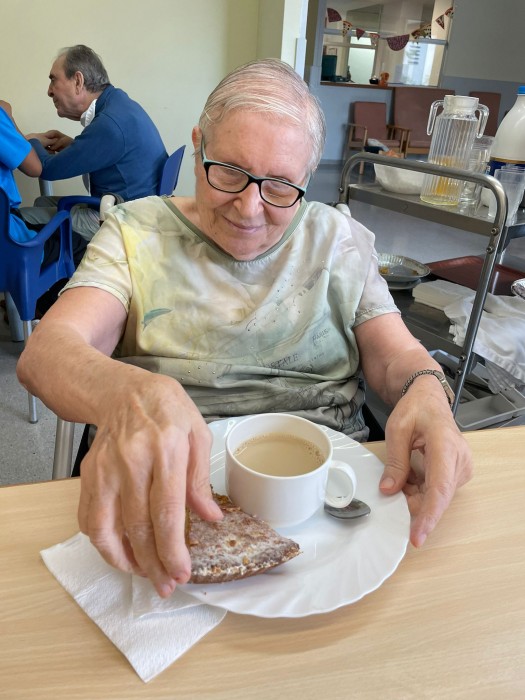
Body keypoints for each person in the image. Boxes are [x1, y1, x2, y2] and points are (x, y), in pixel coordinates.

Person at [17, 59, 473, 599]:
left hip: (330, 490)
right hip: (163, 482)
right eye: (229, 171)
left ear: (307, 180)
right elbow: (48, 352)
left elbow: (395, 356)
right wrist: (126, 393)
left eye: (280, 186)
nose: (250, 208)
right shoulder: (135, 232)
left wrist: (427, 389)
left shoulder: (337, 238)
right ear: (198, 147)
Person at [20, 44, 167, 252]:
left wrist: (32, 140)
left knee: (20, 219)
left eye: (54, 80)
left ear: (78, 81)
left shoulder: (109, 124)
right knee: (42, 202)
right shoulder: (119, 103)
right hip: (138, 210)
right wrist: (73, 145)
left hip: (125, 221)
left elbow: (47, 169)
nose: (49, 91)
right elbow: (112, 154)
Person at [0, 99, 42, 243]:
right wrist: (8, 118)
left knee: (41, 203)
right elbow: (35, 168)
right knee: (78, 243)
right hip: (7, 238)